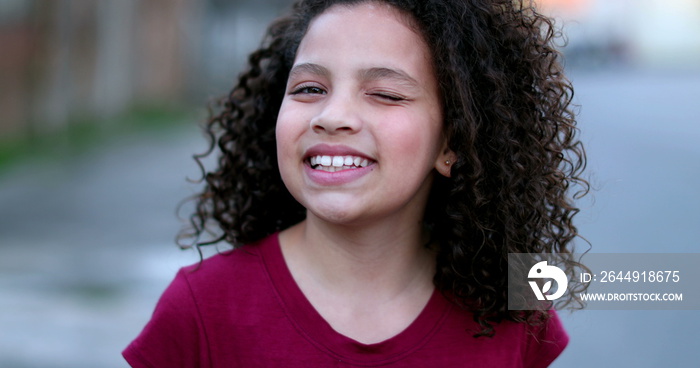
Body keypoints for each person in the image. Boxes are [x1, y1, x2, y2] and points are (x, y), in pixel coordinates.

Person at [123, 0, 589, 366]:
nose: (333, 116)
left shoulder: (514, 304)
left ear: (453, 143)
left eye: (385, 94)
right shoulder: (202, 306)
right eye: (309, 89)